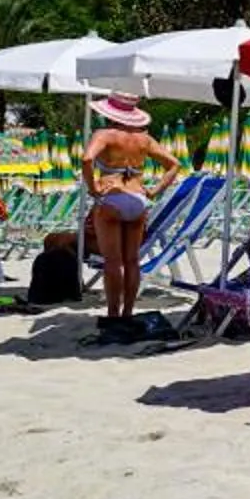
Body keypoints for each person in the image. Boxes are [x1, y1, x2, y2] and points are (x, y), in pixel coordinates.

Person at [81, 94, 181, 336]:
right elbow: (174, 164)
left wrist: (93, 188)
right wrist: (156, 190)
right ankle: (128, 312)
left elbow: (86, 159)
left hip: (112, 198)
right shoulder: (144, 139)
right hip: (138, 199)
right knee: (132, 260)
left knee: (113, 262)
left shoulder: (104, 135)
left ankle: (113, 314)